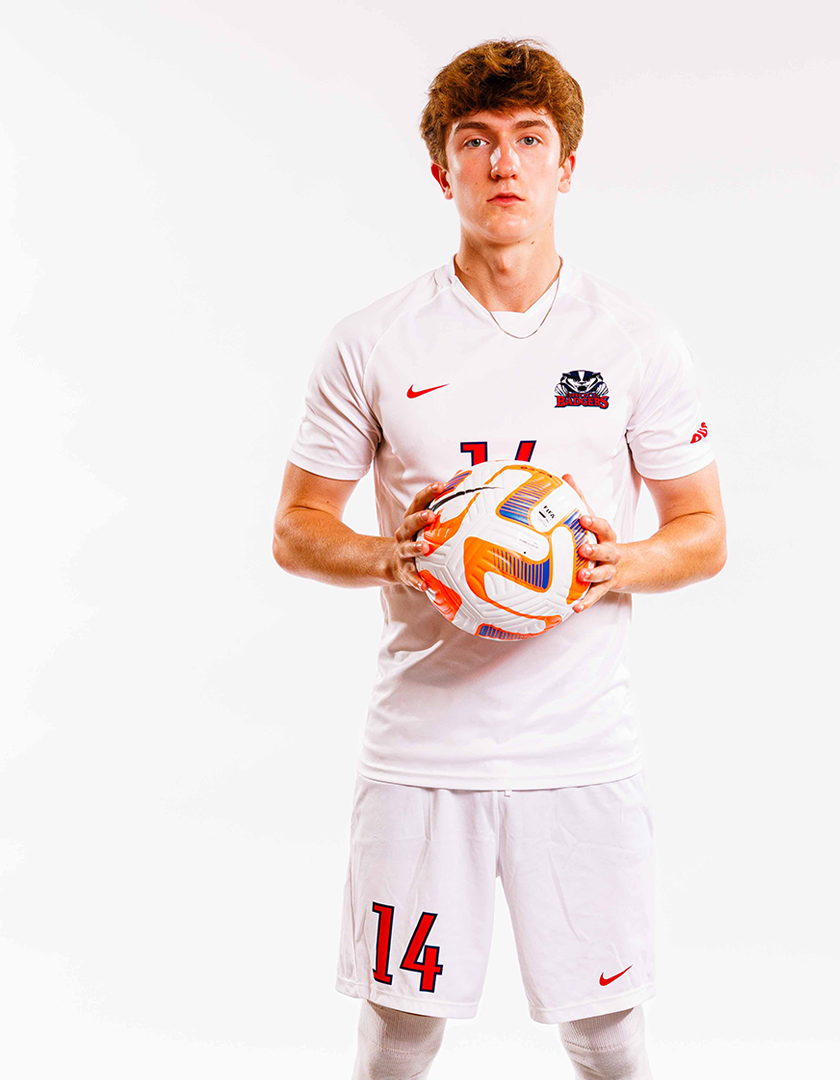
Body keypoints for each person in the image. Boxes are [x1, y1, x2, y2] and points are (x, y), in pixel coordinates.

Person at [271, 38, 726, 1080]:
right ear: (443, 172)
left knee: (606, 1030)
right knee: (399, 1024)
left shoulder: (635, 342)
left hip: (581, 749)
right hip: (425, 749)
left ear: (567, 166)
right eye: (477, 143)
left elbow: (704, 531)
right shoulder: (374, 342)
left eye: (530, 140)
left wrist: (618, 565)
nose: (504, 164)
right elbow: (297, 527)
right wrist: (399, 560)